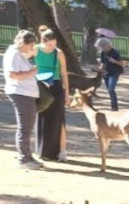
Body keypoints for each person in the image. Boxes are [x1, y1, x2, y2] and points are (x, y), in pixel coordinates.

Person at [3, 29, 42, 169]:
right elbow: (13, 74)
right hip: (21, 93)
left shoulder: (18, 54)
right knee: (25, 127)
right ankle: (24, 159)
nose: (32, 48)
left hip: (26, 93)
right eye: (31, 45)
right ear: (24, 43)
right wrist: (32, 72)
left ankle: (27, 156)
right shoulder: (13, 54)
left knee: (27, 126)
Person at [35, 26, 70, 162]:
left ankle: (62, 151)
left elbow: (64, 74)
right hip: (41, 87)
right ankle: (41, 150)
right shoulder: (36, 49)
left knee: (59, 119)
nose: (52, 47)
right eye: (49, 44)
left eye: (54, 44)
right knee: (41, 118)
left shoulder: (59, 53)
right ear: (43, 41)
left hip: (56, 86)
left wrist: (67, 94)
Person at [96, 37, 125, 110]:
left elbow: (122, 64)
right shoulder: (103, 53)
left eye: (102, 47)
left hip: (115, 73)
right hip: (106, 73)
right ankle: (113, 105)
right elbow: (103, 62)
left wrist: (114, 61)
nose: (101, 49)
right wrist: (100, 69)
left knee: (111, 88)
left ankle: (115, 107)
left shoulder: (115, 52)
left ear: (106, 45)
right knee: (109, 89)